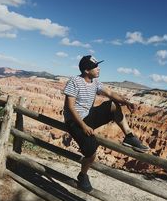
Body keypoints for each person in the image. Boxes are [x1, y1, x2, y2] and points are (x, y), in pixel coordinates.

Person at [63, 55, 149, 192]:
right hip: (74, 121)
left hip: (88, 117)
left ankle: (129, 136)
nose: (98, 68)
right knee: (91, 153)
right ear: (86, 70)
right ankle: (83, 175)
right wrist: (84, 126)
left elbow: (109, 92)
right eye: (95, 66)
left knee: (113, 105)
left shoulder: (95, 82)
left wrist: (126, 102)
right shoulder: (74, 81)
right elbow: (70, 107)